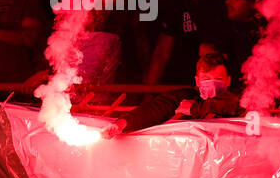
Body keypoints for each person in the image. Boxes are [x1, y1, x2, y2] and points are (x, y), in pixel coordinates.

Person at [104, 51, 242, 137]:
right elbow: (154, 110)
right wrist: (122, 124)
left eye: (218, 80)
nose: (212, 85)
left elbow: (233, 103)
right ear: (197, 81)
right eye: (206, 80)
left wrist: (194, 110)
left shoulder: (240, 99)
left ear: (228, 81)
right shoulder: (185, 97)